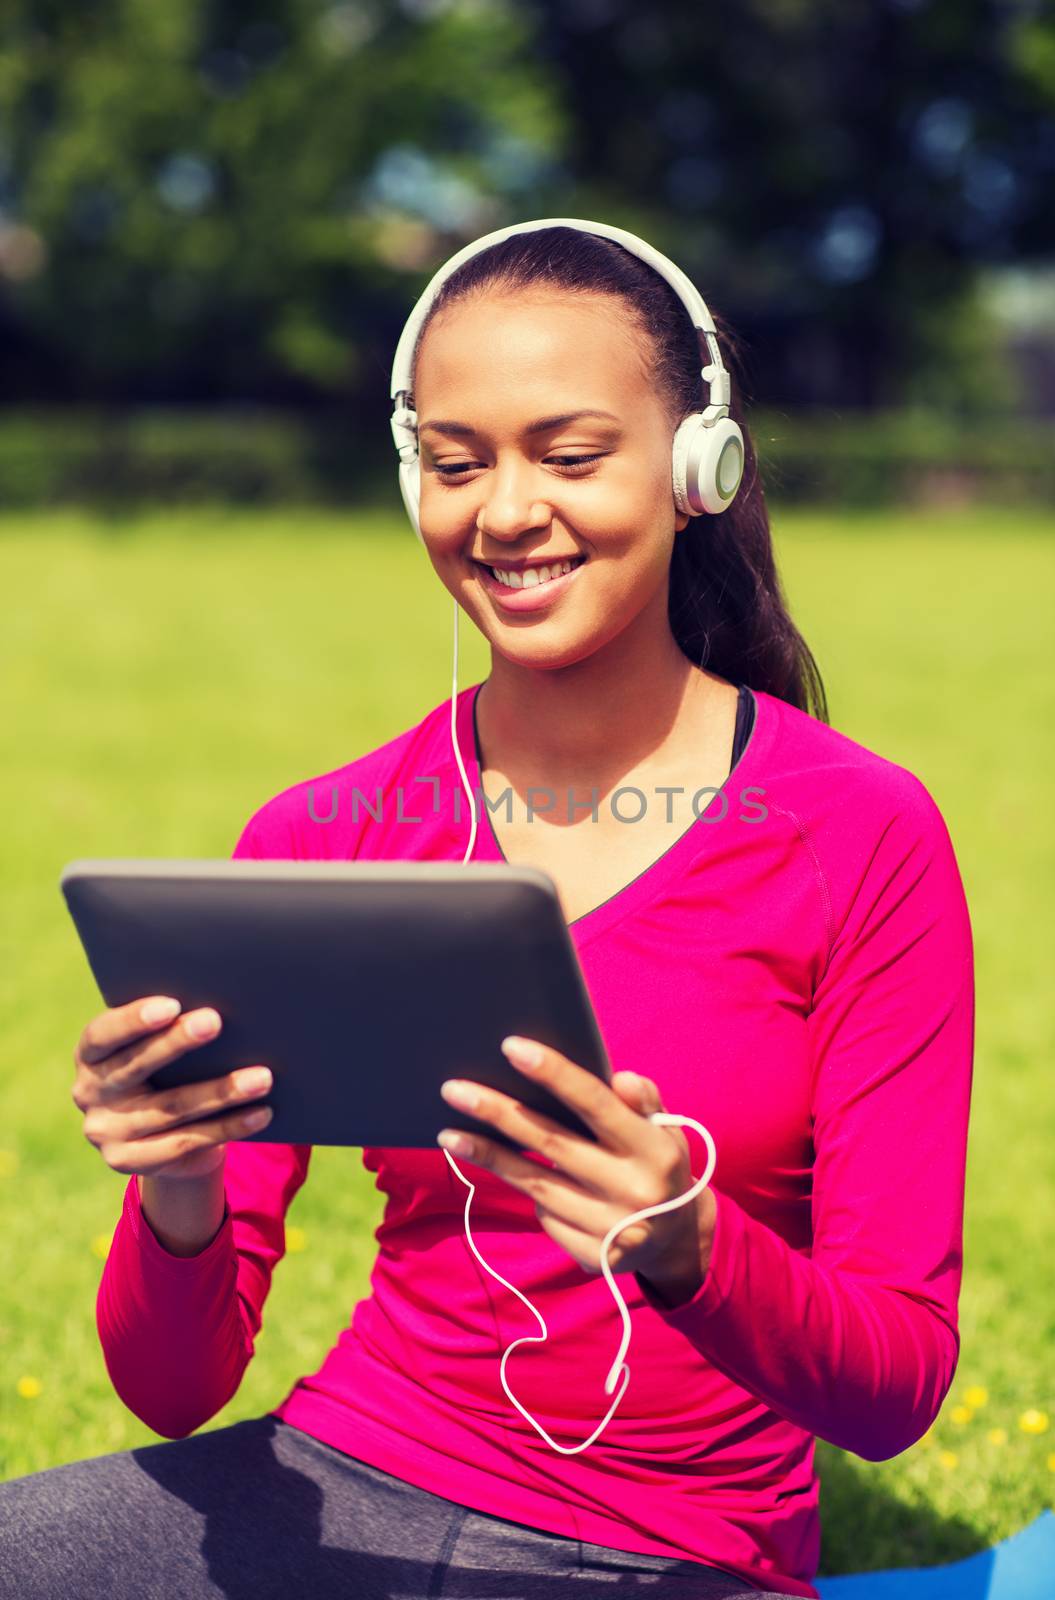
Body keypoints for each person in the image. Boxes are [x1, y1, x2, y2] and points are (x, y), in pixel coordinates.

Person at [0, 223, 974, 1600]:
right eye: (457, 464)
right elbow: (172, 1393)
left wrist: (694, 1248)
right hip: (351, 1477)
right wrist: (177, 1185)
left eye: (570, 456)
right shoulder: (328, 837)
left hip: (673, 1554)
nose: (506, 512)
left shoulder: (860, 833)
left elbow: (896, 1385)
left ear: (702, 466)